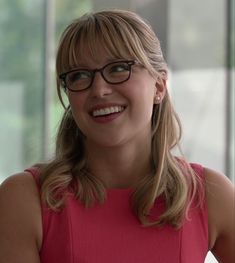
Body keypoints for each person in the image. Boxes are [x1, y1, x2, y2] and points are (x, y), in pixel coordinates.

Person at [0, 9, 234, 263]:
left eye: (119, 68)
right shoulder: (25, 199)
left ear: (158, 86)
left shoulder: (210, 195)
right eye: (79, 75)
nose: (99, 90)